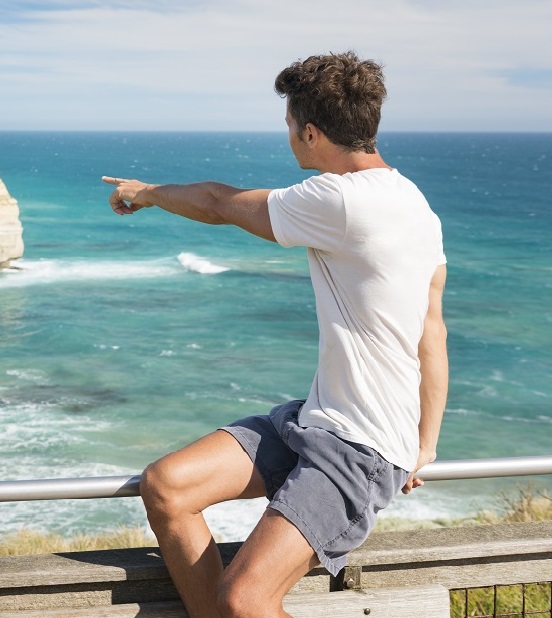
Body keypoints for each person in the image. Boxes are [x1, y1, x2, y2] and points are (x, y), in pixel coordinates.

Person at [103, 51, 448, 618]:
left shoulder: (341, 199)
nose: (289, 137)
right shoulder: (417, 207)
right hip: (315, 421)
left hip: (358, 450)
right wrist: (426, 441)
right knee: (166, 487)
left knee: (247, 599)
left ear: (311, 132)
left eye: (290, 125)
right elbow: (430, 331)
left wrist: (143, 191)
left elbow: (217, 203)